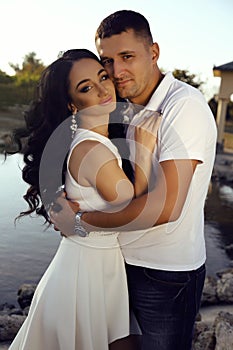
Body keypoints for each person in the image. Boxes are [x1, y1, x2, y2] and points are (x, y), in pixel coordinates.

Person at [50, 10, 218, 350]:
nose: (116, 72)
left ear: (153, 53)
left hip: (164, 275)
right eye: (107, 61)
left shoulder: (183, 107)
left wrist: (80, 220)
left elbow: (164, 208)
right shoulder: (117, 106)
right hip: (116, 266)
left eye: (127, 57)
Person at [8, 48, 161, 350]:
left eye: (103, 77)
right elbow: (135, 206)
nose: (104, 88)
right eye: (87, 87)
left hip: (97, 263)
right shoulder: (93, 150)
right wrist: (144, 147)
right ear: (72, 105)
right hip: (85, 272)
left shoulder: (95, 143)